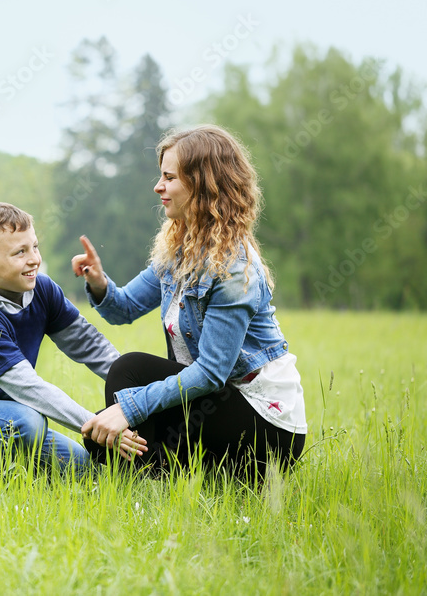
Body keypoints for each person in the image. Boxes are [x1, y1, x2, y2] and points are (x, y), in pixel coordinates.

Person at [74, 125, 307, 480]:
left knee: (129, 372)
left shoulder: (234, 269)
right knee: (99, 440)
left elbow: (210, 373)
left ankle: (138, 484)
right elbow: (124, 309)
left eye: (169, 177)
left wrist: (129, 408)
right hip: (216, 410)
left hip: (267, 432)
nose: (158, 186)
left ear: (201, 185)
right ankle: (143, 488)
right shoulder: (179, 252)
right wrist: (98, 280)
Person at [0, 202, 147, 481]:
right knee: (28, 422)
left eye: (34, 247)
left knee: (89, 475)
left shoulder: (43, 289)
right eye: (19, 252)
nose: (34, 259)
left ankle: (4, 472)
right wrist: (98, 426)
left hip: (9, 418)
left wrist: (146, 393)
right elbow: (31, 389)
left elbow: (89, 345)